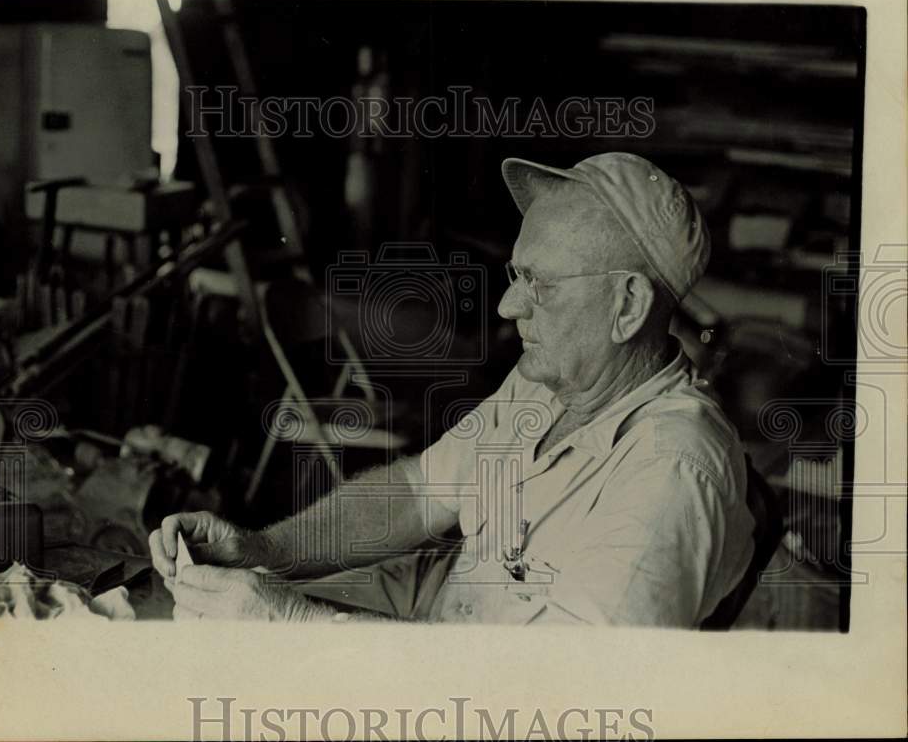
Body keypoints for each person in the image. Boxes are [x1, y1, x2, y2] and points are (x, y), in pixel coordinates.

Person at [150, 151, 756, 626]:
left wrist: (289, 619)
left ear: (627, 306)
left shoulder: (673, 472)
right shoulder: (547, 386)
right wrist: (265, 551)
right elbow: (418, 492)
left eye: (540, 283)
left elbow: (564, 697)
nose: (508, 303)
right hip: (436, 624)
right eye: (516, 273)